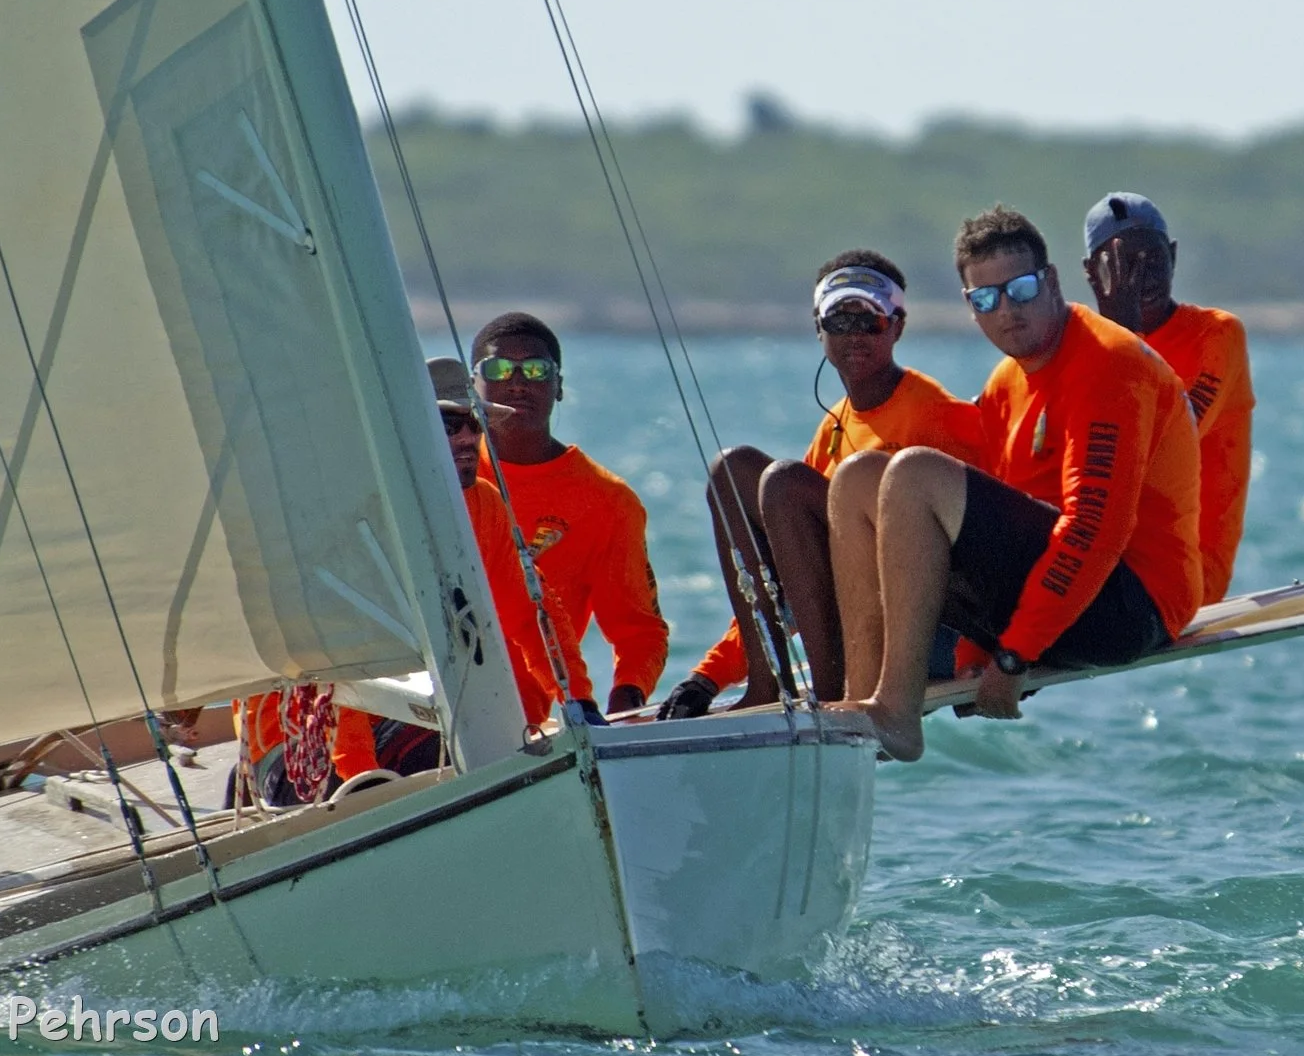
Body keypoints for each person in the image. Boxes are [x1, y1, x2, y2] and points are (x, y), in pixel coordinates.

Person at [829, 205, 1202, 761]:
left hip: (1134, 607)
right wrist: (975, 654)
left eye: (1021, 289)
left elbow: (1094, 532)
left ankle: (897, 716)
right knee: (857, 479)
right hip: (1060, 597)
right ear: (971, 307)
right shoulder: (1007, 382)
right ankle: (864, 704)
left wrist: (1012, 657)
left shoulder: (1108, 365)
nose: (1007, 310)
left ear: (1051, 282)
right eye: (987, 299)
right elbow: (1003, 531)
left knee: (914, 474)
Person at [657, 251, 983, 719]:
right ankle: (767, 684)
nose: (854, 335)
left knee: (785, 482)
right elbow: (792, 565)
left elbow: (986, 548)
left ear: (897, 327)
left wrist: (986, 663)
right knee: (734, 470)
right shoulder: (834, 428)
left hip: (924, 634)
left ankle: (830, 702)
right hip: (853, 618)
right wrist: (708, 675)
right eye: (839, 320)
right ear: (818, 329)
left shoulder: (940, 415)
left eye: (869, 320)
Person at [242, 358, 568, 804]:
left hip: (400, 730)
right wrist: (361, 773)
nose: (468, 439)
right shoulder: (348, 515)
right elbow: (339, 656)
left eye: (475, 425)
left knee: (491, 742)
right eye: (450, 426)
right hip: (295, 746)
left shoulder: (483, 505)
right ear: (408, 432)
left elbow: (529, 615)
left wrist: (578, 700)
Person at [474, 313, 668, 721]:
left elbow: (640, 634)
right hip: (408, 699)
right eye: (499, 369)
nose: (517, 382)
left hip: (511, 724)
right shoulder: (439, 474)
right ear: (472, 385)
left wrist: (622, 708)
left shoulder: (607, 501)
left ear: (559, 386)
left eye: (536, 370)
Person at [1081, 192, 1254, 604]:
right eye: (1124, 264)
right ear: (1092, 274)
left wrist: (1126, 338)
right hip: (1097, 557)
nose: (1142, 278)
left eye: (1153, 260)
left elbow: (1166, 446)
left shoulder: (1217, 334)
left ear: (1173, 256)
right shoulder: (1078, 344)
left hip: (1183, 573)